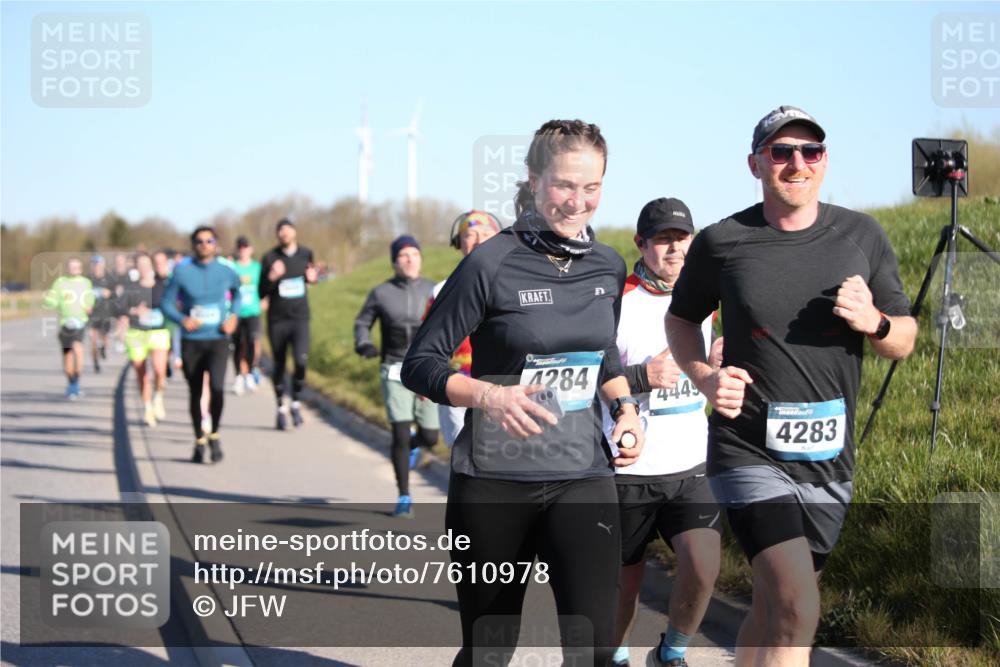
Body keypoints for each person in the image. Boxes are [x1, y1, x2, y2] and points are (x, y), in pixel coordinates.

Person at [666, 106, 917, 667]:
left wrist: (874, 321)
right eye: (781, 152)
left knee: (775, 607)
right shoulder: (723, 241)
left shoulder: (862, 235)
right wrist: (705, 378)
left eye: (810, 152)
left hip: (829, 458)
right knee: (799, 608)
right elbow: (680, 321)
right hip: (747, 449)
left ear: (824, 162)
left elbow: (902, 339)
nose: (796, 163)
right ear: (756, 163)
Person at [403, 119, 645, 666]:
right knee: (490, 652)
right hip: (494, 483)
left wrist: (625, 408)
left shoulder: (608, 265)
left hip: (582, 475)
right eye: (564, 185)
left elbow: (602, 352)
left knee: (594, 649)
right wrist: (491, 397)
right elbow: (420, 365)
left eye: (592, 187)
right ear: (534, 180)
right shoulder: (490, 263)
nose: (577, 201)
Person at [604, 198, 725, 667]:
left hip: (691, 466)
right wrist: (641, 378)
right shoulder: (618, 300)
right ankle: (614, 655)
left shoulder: (703, 296)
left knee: (703, 567)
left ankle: (670, 653)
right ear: (642, 244)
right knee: (622, 591)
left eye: (682, 238)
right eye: (663, 240)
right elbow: (591, 370)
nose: (674, 249)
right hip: (626, 471)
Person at [355, 235, 440, 517]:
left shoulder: (433, 290)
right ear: (394, 261)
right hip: (393, 368)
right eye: (403, 255)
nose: (409, 259)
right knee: (400, 434)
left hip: (427, 367)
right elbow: (362, 322)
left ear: (421, 258)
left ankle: (417, 444)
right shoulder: (381, 293)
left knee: (429, 436)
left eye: (414, 254)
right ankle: (404, 496)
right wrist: (363, 343)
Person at [161, 226, 241, 464]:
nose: (204, 244)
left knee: (217, 388)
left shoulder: (226, 271)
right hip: (192, 341)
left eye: (209, 240)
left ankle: (214, 433)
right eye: (199, 241)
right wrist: (182, 319)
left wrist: (234, 317)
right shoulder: (182, 273)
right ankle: (199, 439)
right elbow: (165, 304)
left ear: (216, 244)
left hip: (217, 338)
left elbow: (237, 295)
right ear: (193, 245)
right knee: (195, 392)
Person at [428, 211, 503, 447]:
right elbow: (428, 345)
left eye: (487, 234)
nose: (479, 240)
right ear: (458, 243)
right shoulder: (442, 291)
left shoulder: (517, 285)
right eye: (470, 234)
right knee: (461, 452)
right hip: (458, 384)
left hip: (504, 384)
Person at [258, 218, 317, 429]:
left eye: (287, 230)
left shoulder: (306, 254)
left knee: (301, 361)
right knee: (279, 363)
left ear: (294, 232)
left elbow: (311, 278)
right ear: (277, 235)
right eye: (280, 231)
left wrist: (313, 278)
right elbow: (261, 291)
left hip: (300, 318)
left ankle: (295, 402)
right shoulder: (269, 257)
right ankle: (280, 407)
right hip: (277, 319)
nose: (284, 234)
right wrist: (272, 276)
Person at [122, 253, 170, 427]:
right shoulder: (131, 288)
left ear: (151, 265)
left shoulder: (162, 285)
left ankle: (158, 396)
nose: (143, 267)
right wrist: (134, 312)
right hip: (137, 333)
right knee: (142, 374)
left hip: (158, 332)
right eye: (140, 264)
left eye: (146, 264)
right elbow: (121, 310)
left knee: (159, 370)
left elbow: (172, 304)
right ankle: (147, 407)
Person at [43, 258, 94, 398]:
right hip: (65, 323)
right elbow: (52, 301)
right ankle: (71, 383)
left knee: (78, 350)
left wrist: (89, 307)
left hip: (80, 322)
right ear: (68, 268)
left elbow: (90, 300)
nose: (74, 269)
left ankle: (76, 382)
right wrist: (48, 299)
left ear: (81, 268)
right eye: (72, 267)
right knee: (68, 356)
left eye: (77, 267)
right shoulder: (60, 283)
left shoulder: (86, 282)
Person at [231, 236, 263, 395]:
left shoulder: (257, 267)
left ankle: (249, 373)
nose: (243, 250)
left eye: (246, 247)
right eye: (241, 247)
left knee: (251, 341)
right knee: (238, 344)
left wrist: (265, 300)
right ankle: (238, 376)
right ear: (238, 250)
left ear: (251, 249)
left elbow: (264, 287)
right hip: (237, 312)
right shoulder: (233, 268)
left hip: (253, 311)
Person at [86, 255, 114, 373]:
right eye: (95, 265)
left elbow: (116, 295)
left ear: (103, 265)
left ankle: (103, 348)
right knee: (93, 340)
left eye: (99, 265)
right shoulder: (87, 280)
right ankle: (95, 362)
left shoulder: (109, 279)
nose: (97, 267)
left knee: (105, 338)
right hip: (92, 315)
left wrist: (110, 293)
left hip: (105, 313)